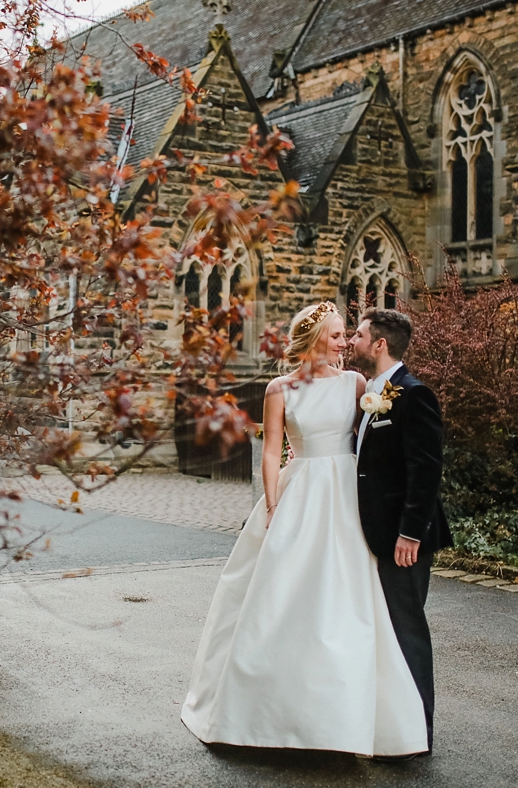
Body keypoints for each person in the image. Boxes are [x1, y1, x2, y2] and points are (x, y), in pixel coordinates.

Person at [180, 301, 427, 757]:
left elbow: (372, 439)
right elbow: (272, 451)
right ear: (315, 338)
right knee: (280, 596)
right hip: (300, 492)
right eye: (337, 335)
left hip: (348, 496)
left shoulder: (356, 384)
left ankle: (343, 717)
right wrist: (273, 504)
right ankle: (264, 714)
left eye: (346, 334)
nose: (345, 342)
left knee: (344, 598)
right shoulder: (280, 388)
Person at [348, 308, 451, 755]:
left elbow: (425, 470)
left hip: (403, 540)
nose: (352, 340)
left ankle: (418, 734)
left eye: (357, 334)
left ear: (379, 345)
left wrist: (410, 533)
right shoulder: (373, 393)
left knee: (407, 630)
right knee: (387, 631)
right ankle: (392, 725)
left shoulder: (413, 394)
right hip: (377, 533)